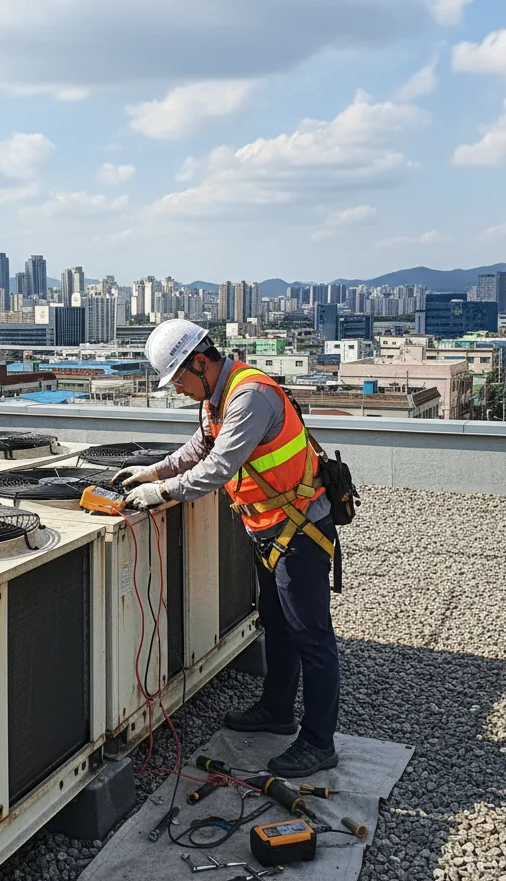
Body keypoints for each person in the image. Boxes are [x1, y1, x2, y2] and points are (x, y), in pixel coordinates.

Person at [113, 319, 340, 777]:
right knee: (277, 625)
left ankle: (319, 741)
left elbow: (219, 465)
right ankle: (278, 711)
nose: (178, 390)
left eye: (179, 379)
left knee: (311, 638)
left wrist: (164, 493)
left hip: (298, 533)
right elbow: (199, 447)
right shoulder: (218, 398)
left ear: (201, 361)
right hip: (271, 531)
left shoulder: (249, 396)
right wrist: (152, 472)